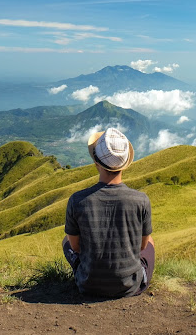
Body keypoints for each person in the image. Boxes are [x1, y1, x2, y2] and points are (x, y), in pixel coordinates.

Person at [62, 127, 154, 298]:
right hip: (130, 286)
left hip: (87, 284)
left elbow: (75, 247)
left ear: (96, 162)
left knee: (66, 242)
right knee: (150, 242)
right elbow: (142, 246)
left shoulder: (77, 200)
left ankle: (89, 272)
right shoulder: (141, 200)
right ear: (126, 163)